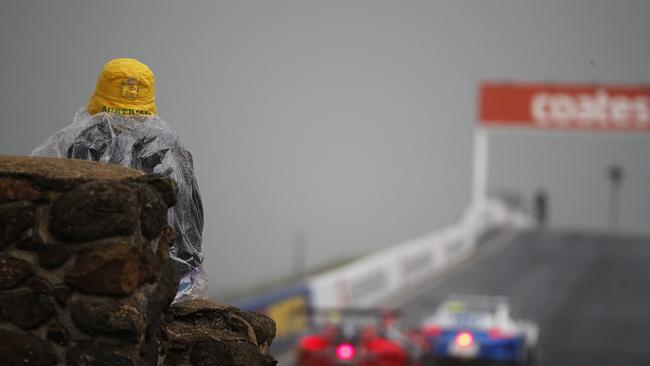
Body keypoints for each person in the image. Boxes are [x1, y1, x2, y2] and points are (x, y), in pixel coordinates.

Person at [32, 58, 206, 303]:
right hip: (168, 279)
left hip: (93, 277)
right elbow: (189, 217)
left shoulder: (88, 140)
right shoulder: (171, 147)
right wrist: (186, 271)